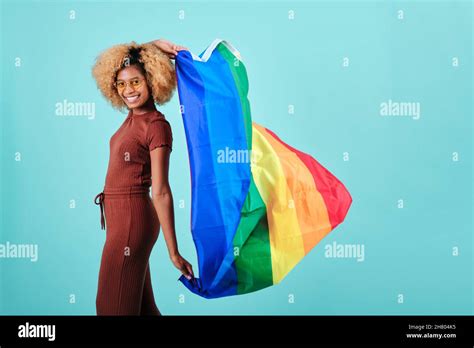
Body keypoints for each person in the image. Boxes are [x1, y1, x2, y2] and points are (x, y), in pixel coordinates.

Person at [92, 38, 193, 315]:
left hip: (132, 220)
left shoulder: (156, 125)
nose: (128, 90)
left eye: (135, 82)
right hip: (120, 220)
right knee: (143, 309)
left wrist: (173, 251)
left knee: (111, 308)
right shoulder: (132, 117)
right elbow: (124, 59)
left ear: (151, 80)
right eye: (121, 84)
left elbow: (161, 191)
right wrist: (153, 46)